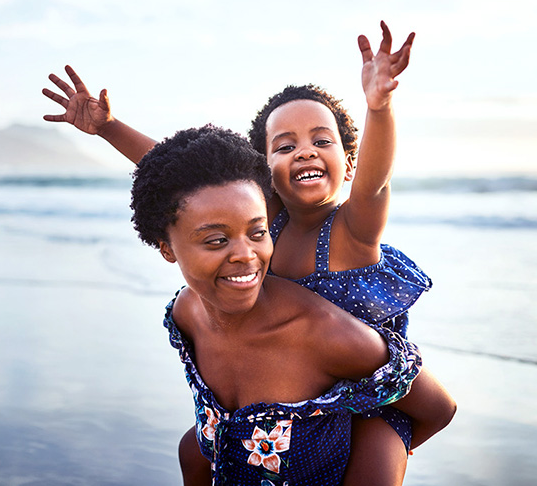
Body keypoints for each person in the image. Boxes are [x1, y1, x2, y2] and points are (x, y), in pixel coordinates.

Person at [43, 22, 436, 484]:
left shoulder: (353, 228)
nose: (305, 152)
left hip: (371, 393)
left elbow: (375, 182)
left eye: (321, 141)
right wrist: (109, 128)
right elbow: (185, 181)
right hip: (293, 383)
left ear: (349, 162)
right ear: (262, 170)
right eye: (286, 146)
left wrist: (380, 107)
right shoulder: (264, 221)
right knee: (195, 451)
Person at [130, 124, 454, 485]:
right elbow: (180, 180)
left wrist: (379, 445)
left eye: (258, 232)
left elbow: (438, 408)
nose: (246, 255)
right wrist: (108, 128)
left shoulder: (324, 332)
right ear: (167, 248)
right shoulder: (186, 316)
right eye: (217, 240)